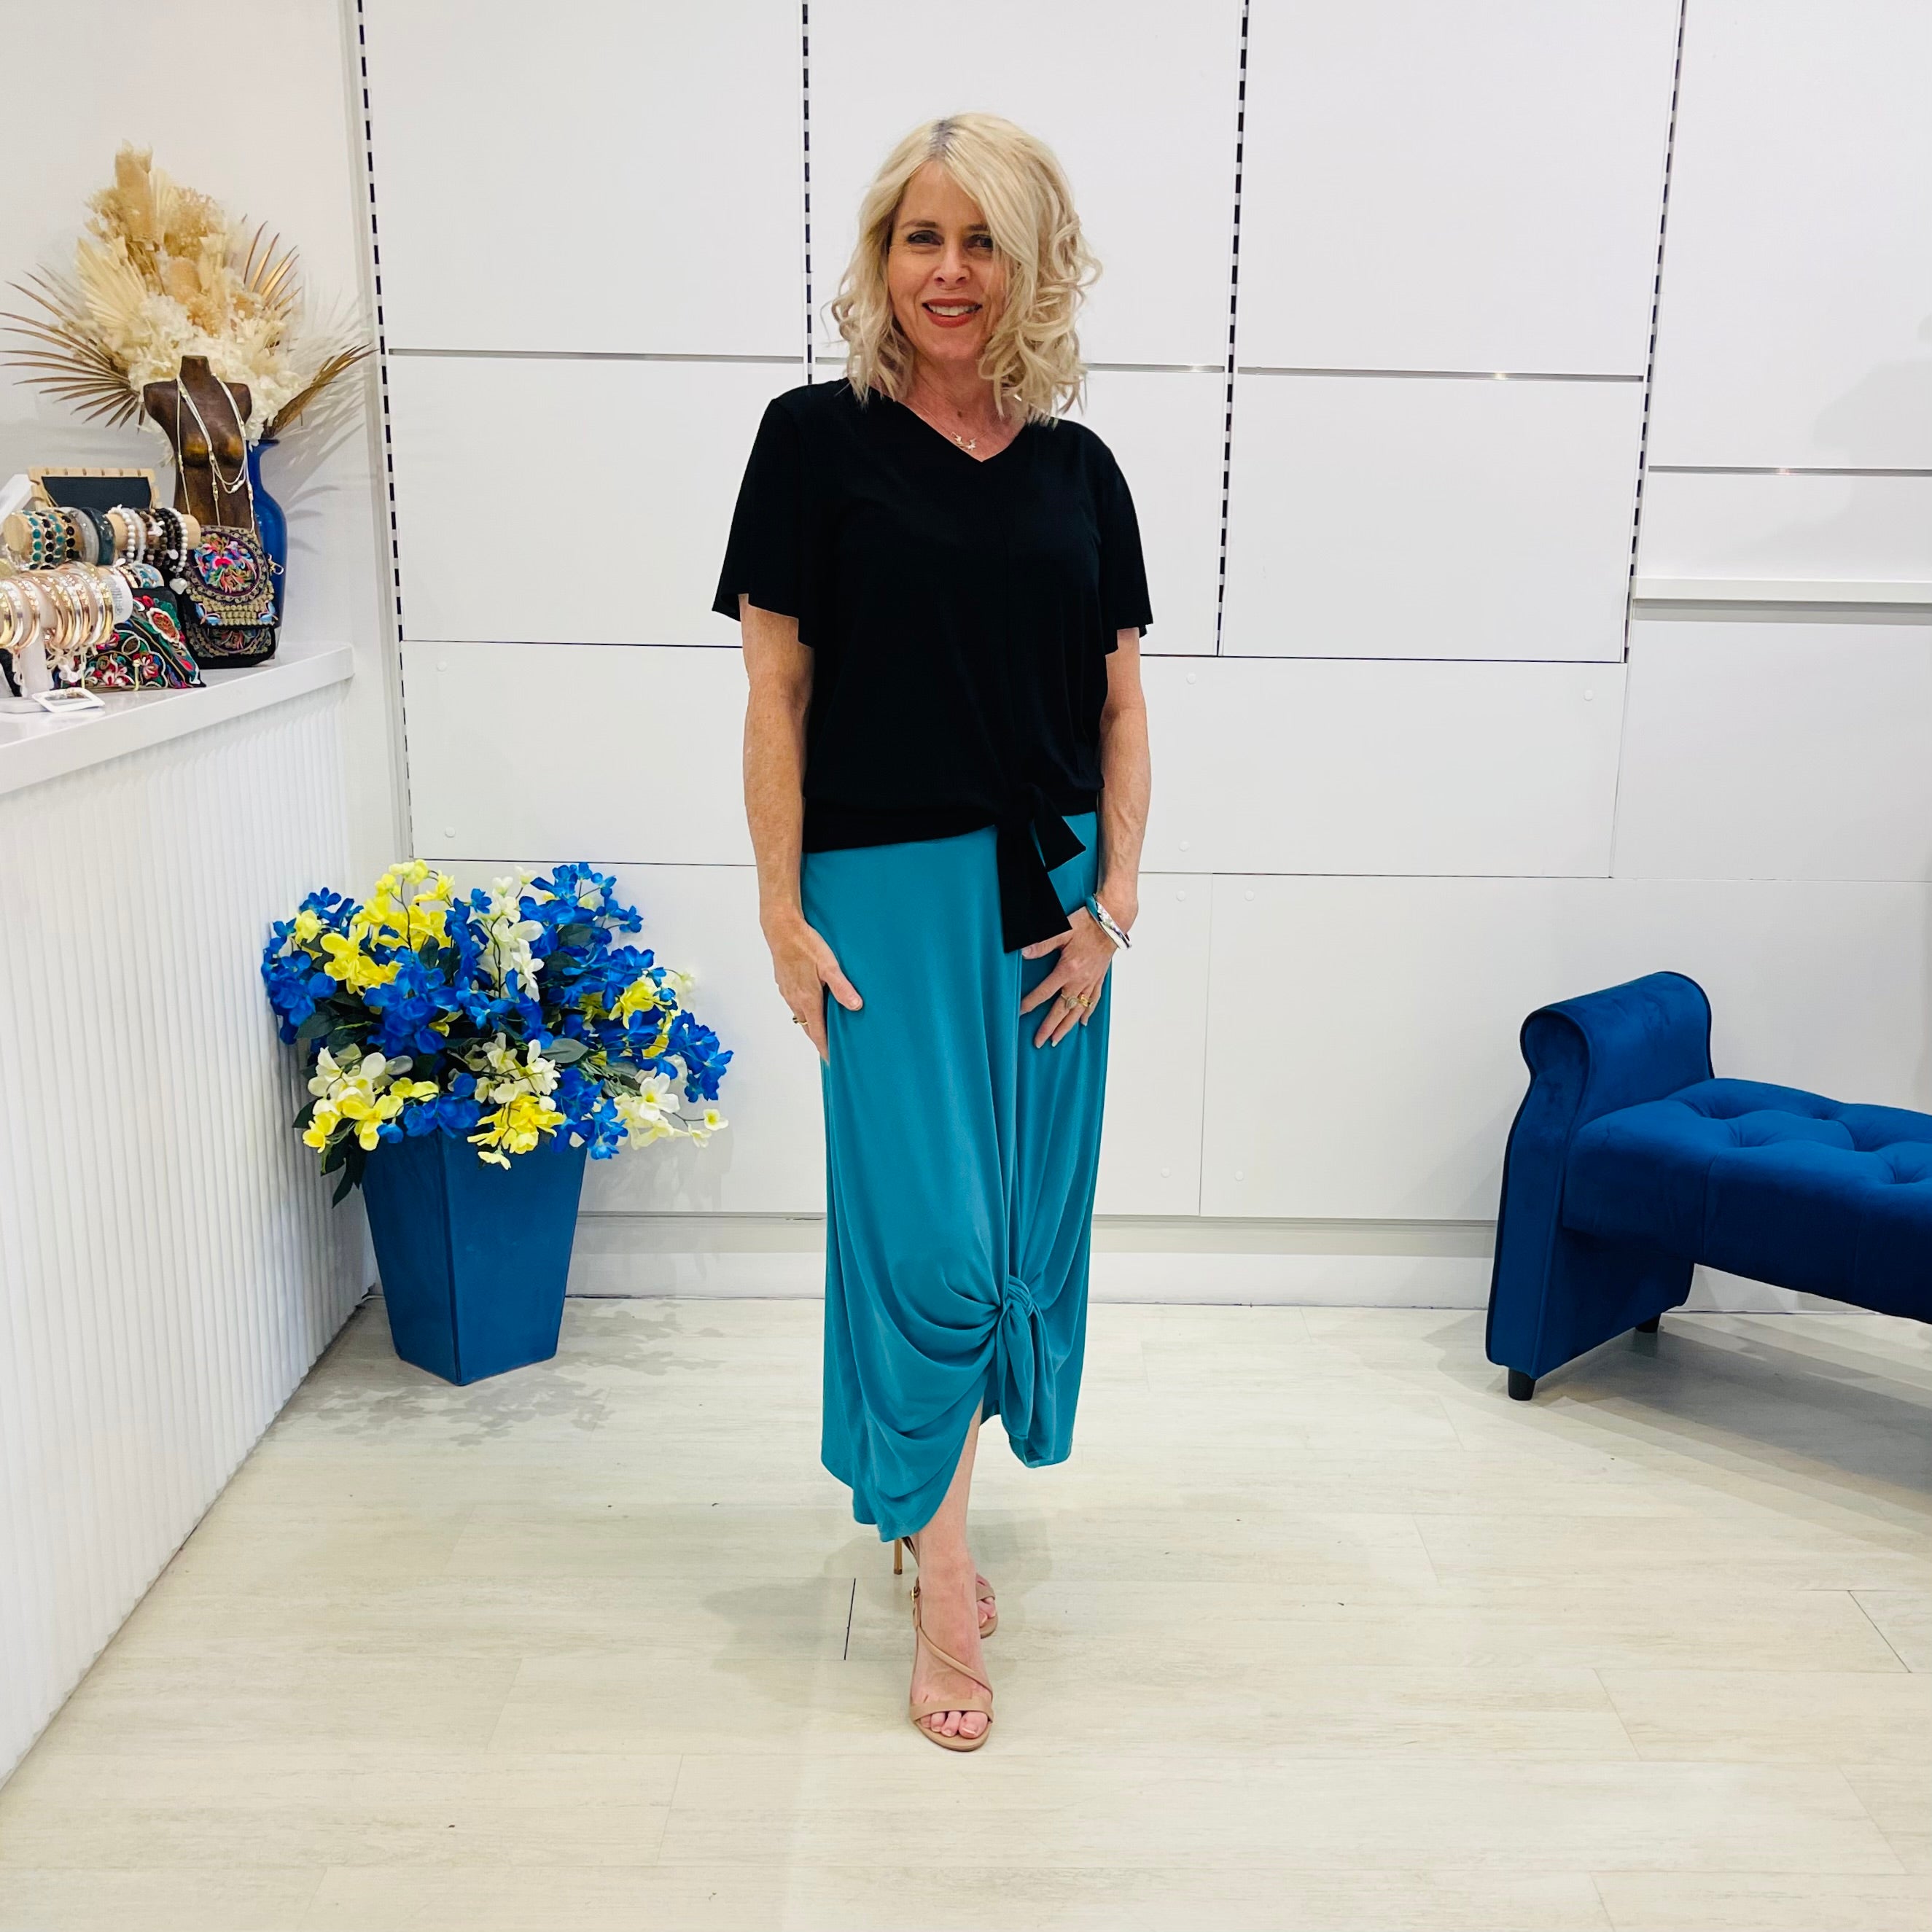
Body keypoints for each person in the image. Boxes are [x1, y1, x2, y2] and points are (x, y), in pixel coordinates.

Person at [712, 112, 1153, 1752]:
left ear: (1031, 263)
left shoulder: (1080, 471)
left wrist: (1112, 903)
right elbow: (776, 692)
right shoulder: (810, 442)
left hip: (1049, 904)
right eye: (920, 237)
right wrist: (778, 908)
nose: (948, 271)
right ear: (878, 258)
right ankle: (945, 1575)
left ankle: (928, 1514)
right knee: (934, 1248)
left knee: (1021, 1244)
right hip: (882, 898)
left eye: (981, 241)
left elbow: (1120, 708)